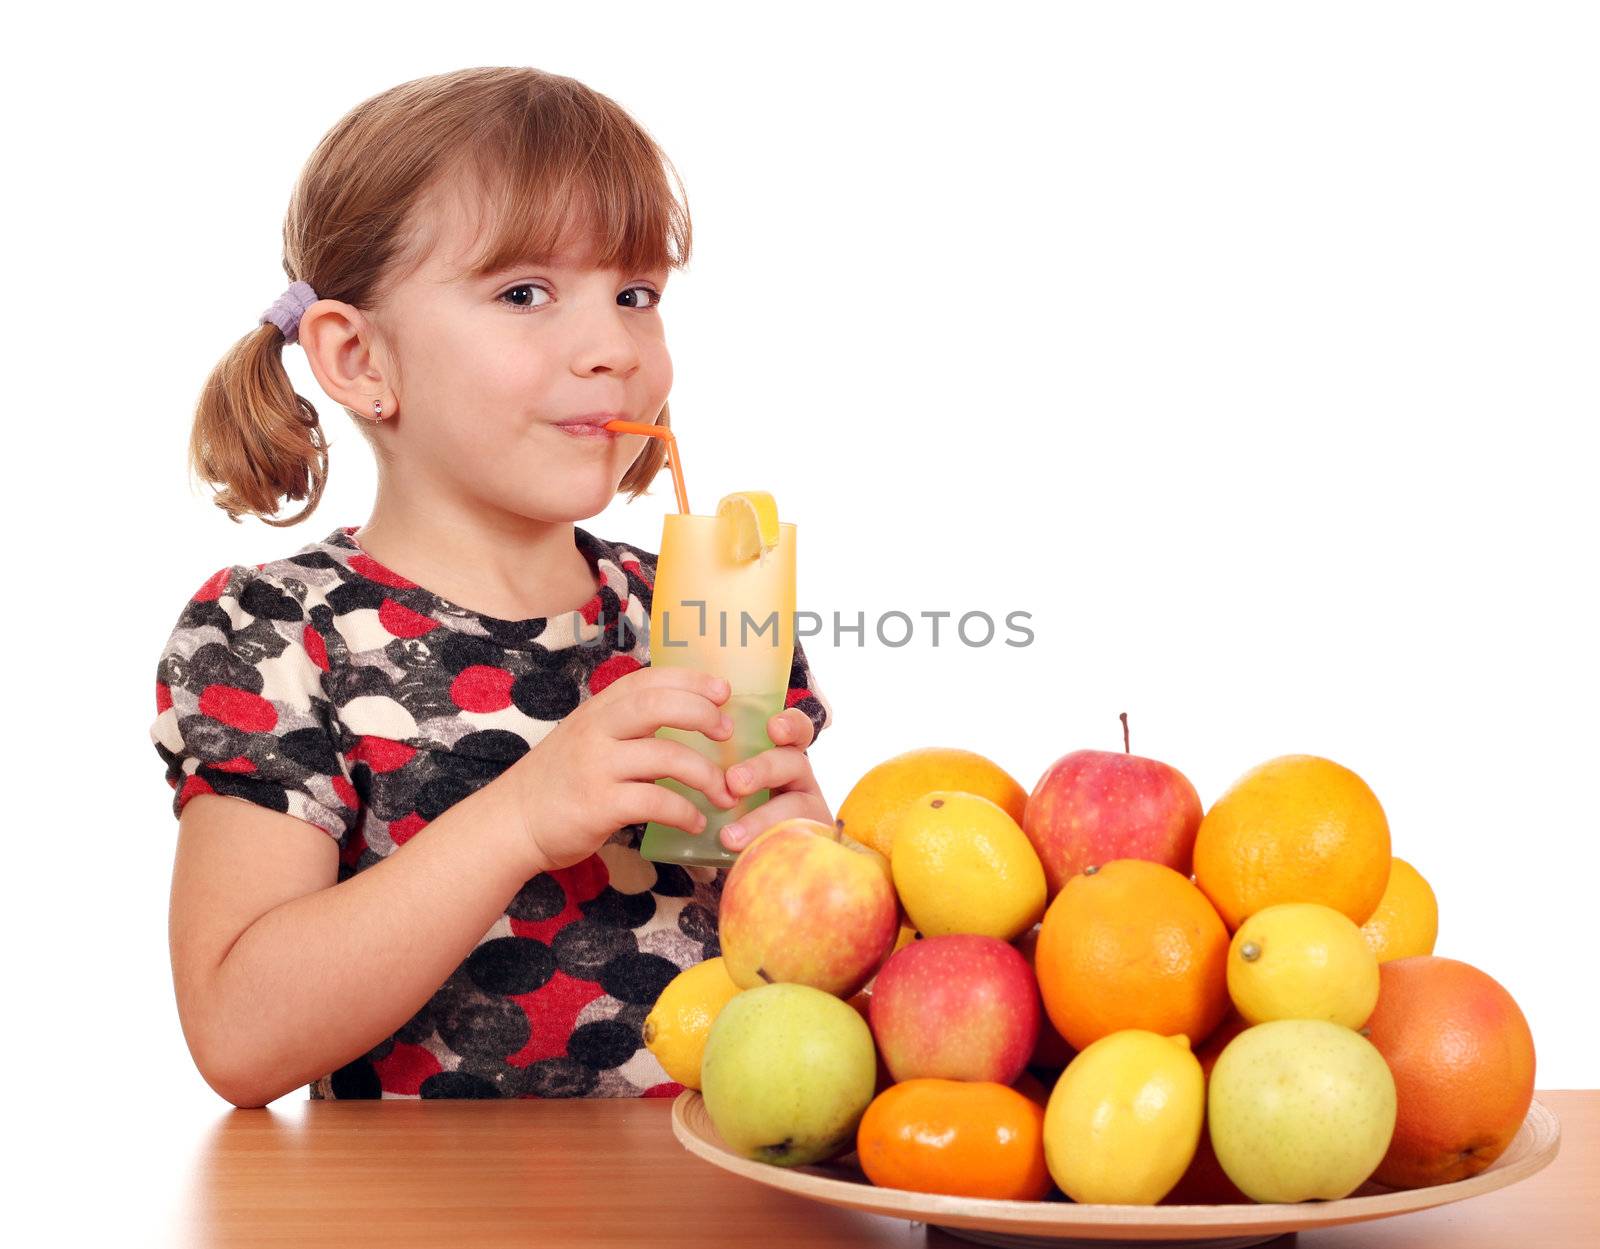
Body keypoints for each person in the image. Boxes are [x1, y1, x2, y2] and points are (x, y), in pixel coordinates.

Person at [148, 67, 833, 1106]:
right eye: (524, 293)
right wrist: (523, 817)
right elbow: (240, 1039)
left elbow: (815, 990)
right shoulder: (276, 634)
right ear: (358, 356)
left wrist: (804, 859)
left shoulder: (692, 613)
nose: (612, 350)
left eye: (635, 295)